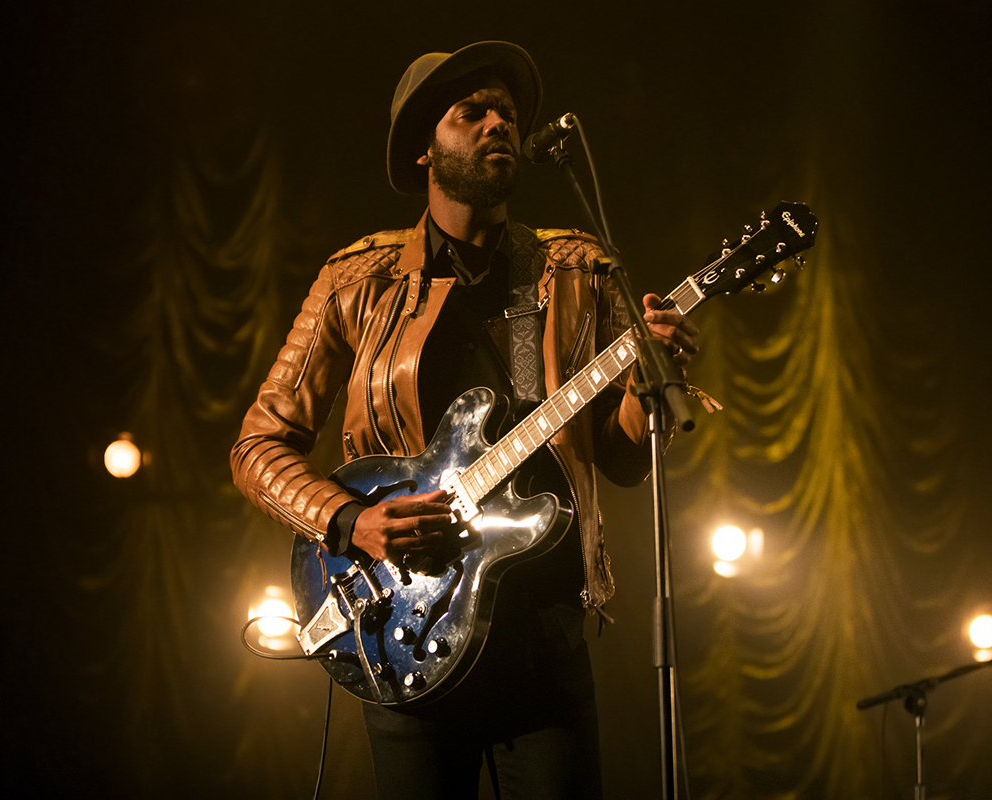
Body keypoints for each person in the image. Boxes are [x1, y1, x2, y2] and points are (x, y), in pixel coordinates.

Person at [230, 42, 699, 799]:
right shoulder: (358, 280)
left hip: (543, 635)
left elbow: (619, 461)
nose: (497, 125)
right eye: (471, 113)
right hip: (406, 629)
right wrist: (351, 522)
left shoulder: (576, 268)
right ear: (424, 147)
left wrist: (649, 389)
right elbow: (258, 444)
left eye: (507, 114)